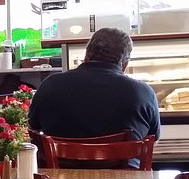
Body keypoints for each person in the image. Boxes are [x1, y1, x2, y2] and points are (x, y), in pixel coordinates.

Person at [28, 27, 159, 142]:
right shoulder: (144, 93)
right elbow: (152, 140)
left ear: (86, 55)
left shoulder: (50, 85)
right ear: (125, 64)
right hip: (125, 164)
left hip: (60, 164)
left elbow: (33, 128)